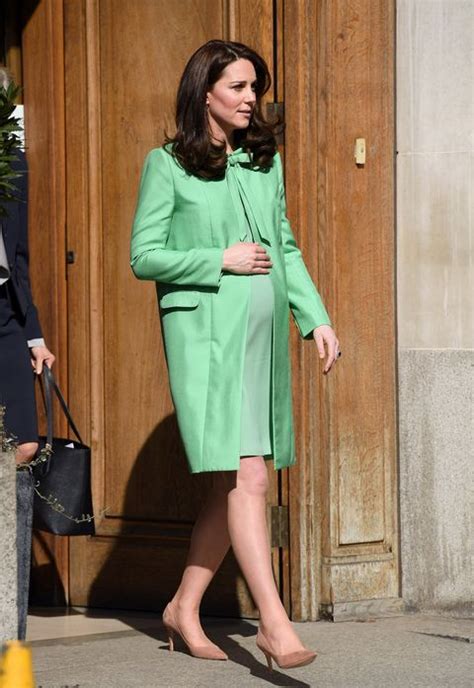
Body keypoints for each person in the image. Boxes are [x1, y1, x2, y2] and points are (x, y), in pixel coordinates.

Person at [130, 40, 340, 670]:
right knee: (250, 478)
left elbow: (285, 246)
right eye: (239, 87)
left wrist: (314, 316)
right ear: (205, 94)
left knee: (234, 481)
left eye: (255, 87)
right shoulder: (167, 165)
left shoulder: (262, 163)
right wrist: (218, 259)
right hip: (208, 345)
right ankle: (275, 626)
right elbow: (144, 256)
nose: (252, 99)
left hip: (260, 344)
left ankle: (182, 607)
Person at [0, 66, 55, 640]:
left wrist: (34, 335)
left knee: (24, 445)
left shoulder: (12, 161)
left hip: (4, 315)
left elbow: (19, 255)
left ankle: (9, 622)